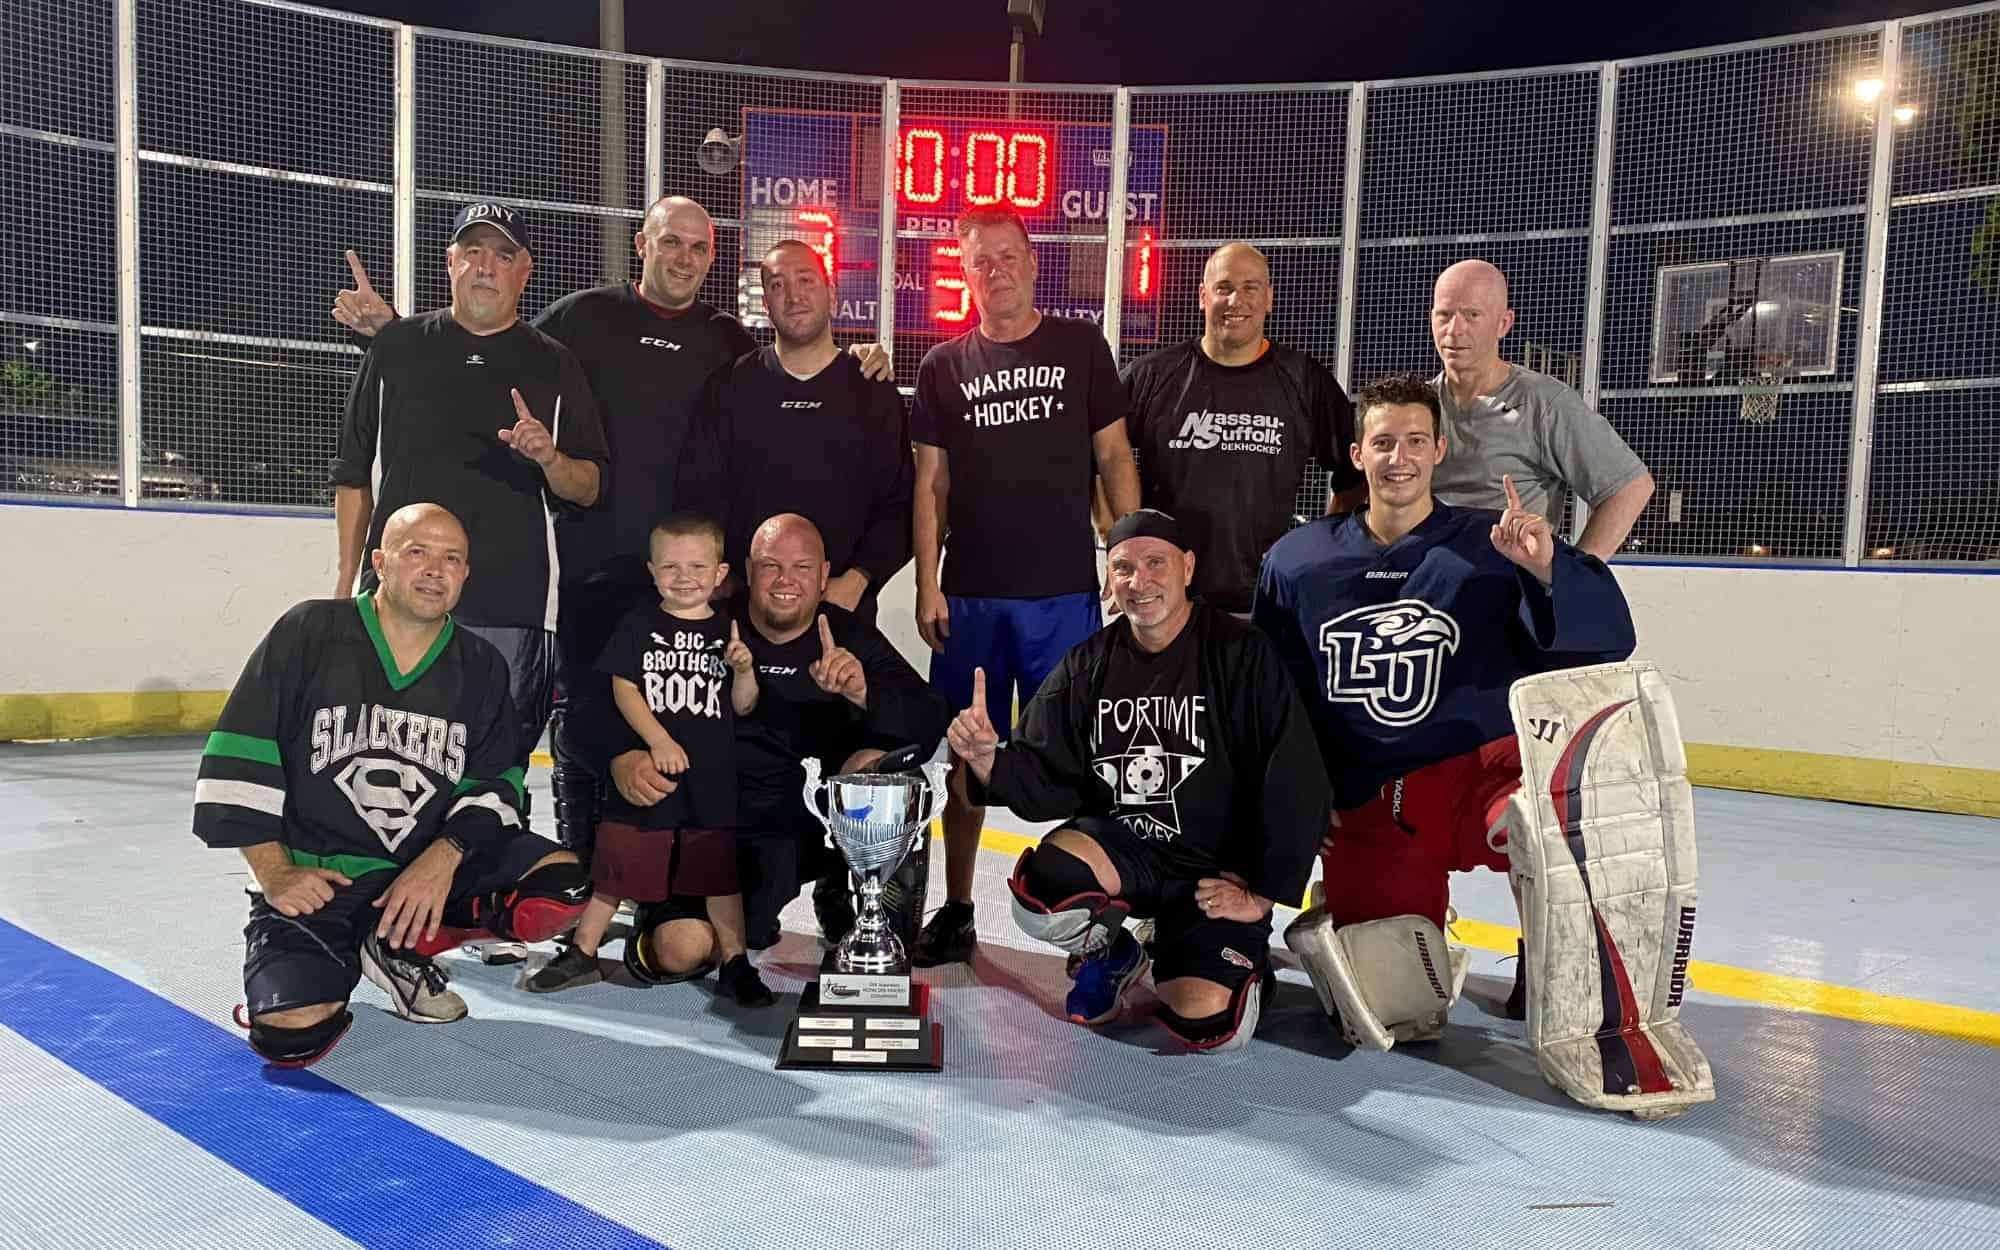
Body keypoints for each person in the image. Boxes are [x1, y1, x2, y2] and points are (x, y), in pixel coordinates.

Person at [334, 196, 894, 861]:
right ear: (642, 247)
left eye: (697, 247)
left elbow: (796, 357)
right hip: (595, 562)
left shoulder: (728, 338)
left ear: (711, 258)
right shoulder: (582, 317)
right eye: (670, 243)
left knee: (693, 719)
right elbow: (485, 342)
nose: (683, 257)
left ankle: (685, 874)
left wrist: (863, 356)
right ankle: (580, 861)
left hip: (692, 579)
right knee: (588, 718)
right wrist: (397, 331)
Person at [1253, 375, 1713, 1117]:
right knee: (1394, 1011)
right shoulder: (1296, 561)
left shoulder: (1495, 544)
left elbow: (1607, 641)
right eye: (1381, 443)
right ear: (1355, 454)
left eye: (1413, 441)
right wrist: (1306, 800)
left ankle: (1601, 1008)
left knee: (1559, 829)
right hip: (1378, 800)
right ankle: (1387, 918)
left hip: (1482, 783)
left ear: (1439, 449)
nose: (1397, 457)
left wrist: (1544, 567)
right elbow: (1273, 698)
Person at [194, 503, 590, 1067]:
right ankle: (357, 942)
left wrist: (445, 855)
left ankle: (400, 945)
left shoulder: (480, 664)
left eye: (452, 558)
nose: (435, 569)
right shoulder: (310, 631)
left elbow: (497, 780)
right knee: (290, 1033)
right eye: (418, 553)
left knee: (562, 887)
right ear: (380, 562)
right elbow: (241, 751)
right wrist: (275, 871)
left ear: (466, 575)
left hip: (423, 870)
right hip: (319, 874)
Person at [946, 509, 1327, 1050]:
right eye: (1123, 567)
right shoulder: (1088, 665)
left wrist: (1262, 894)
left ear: (1188, 568)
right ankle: (1114, 954)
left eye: (1155, 564)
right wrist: (988, 759)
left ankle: (1232, 960)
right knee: (1042, 892)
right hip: (1131, 858)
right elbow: (1044, 772)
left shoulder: (1242, 654)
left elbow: (1294, 777)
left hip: (1215, 875)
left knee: (1210, 1024)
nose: (1139, 581)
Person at [330, 203, 609, 854]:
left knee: (494, 771)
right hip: (398, 606)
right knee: (394, 767)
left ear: (524, 273)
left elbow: (590, 485)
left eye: (503, 255)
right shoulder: (396, 347)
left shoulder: (553, 364)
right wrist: (347, 586)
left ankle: (479, 909)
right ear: (451, 262)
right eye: (474, 252)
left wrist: (550, 458)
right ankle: (394, 910)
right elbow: (353, 473)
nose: (487, 266)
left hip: (512, 608)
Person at [909, 204, 1142, 967]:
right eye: (981, 260)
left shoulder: (1079, 346)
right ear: (964, 271)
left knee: (1077, 758)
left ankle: (1089, 916)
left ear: (1034, 262)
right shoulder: (943, 365)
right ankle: (958, 905)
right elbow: (930, 485)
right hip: (973, 595)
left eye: (1008, 256)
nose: (996, 271)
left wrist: (1130, 549)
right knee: (968, 757)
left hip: (1062, 596)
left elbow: (1112, 457)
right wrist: (925, 584)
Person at [599, 514, 951, 982]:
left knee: (886, 775)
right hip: (709, 819)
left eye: (802, 568)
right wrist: (622, 755)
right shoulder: (700, 622)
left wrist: (866, 692)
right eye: (771, 566)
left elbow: (929, 717)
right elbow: (598, 704)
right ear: (747, 570)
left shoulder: (847, 636)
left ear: (824, 575)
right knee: (681, 950)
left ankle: (873, 921)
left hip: (806, 827)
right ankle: (666, 906)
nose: (786, 581)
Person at [527, 514, 772, 1005]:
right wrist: (656, 740)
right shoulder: (639, 624)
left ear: (721, 574)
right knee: (614, 868)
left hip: (711, 781)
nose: (684, 578)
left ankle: (735, 961)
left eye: (697, 566)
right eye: (671, 567)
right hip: (651, 774)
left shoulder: (730, 629)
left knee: (719, 878)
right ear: (653, 571)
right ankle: (583, 951)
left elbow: (744, 704)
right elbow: (624, 686)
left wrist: (744, 671)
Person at [1118, 242, 1364, 614]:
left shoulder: (1304, 381)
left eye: (1251, 288)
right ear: (1203, 296)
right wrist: (1120, 540)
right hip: (1166, 602)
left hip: (1264, 601)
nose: (1237, 300)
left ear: (1269, 298)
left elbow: (1355, 477)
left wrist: (1319, 551)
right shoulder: (1151, 376)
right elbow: (1101, 456)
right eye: (1224, 288)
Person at [676, 239, 913, 624]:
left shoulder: (871, 388)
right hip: (744, 614)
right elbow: (699, 492)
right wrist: (728, 576)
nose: (794, 296)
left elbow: (898, 501)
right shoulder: (730, 387)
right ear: (765, 304)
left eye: (806, 280)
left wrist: (858, 579)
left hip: (842, 614)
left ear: (832, 294)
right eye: (777, 285)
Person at [1428, 259, 1654, 561]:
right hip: (1426, 590)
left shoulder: (1544, 403)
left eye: (1472, 315)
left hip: (1507, 590)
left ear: (1504, 324)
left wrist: (1575, 576)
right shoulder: (1417, 405)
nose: (1455, 329)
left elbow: (1630, 486)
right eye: (1445, 315)